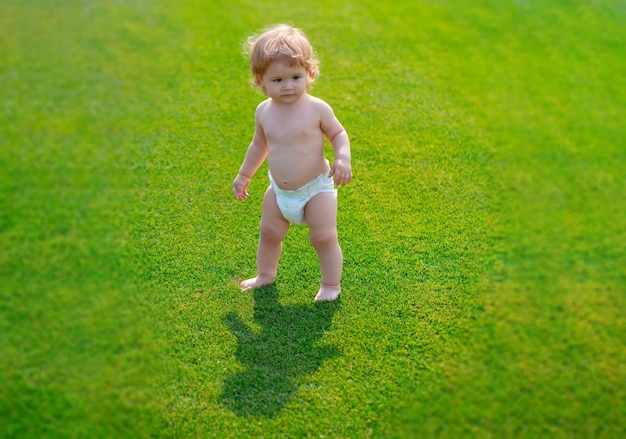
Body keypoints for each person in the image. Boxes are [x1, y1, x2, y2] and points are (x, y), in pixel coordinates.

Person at [232, 24, 352, 301]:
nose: (288, 86)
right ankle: (265, 274)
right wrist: (244, 175)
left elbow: (337, 133)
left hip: (315, 189)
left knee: (323, 237)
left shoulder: (317, 109)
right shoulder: (263, 112)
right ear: (260, 80)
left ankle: (331, 285)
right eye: (277, 80)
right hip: (279, 191)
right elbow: (259, 145)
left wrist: (342, 157)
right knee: (269, 232)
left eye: (295, 77)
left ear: (309, 73)